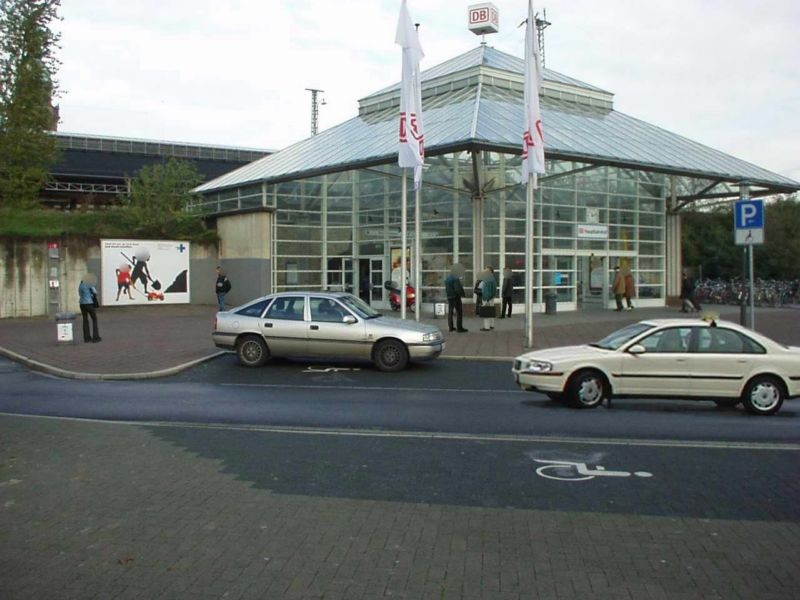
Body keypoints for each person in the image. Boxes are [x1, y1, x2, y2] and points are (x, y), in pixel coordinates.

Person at [444, 264, 468, 333]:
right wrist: (462, 294)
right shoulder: (455, 279)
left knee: (450, 312)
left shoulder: (447, 278)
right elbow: (457, 289)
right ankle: (459, 328)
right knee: (459, 312)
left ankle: (450, 327)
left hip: (449, 297)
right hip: (456, 297)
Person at [78, 276, 101, 343]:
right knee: (94, 319)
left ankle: (87, 338)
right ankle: (95, 337)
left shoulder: (80, 285)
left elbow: (80, 294)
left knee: (85, 320)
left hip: (82, 304)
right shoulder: (89, 285)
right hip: (89, 303)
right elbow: (95, 292)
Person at [479, 267, 497, 331]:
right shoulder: (492, 278)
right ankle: (491, 325)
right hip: (491, 297)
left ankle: (487, 327)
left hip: (487, 297)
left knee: (486, 312)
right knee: (491, 312)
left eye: (486, 270)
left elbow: (487, 290)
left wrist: (487, 299)